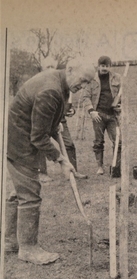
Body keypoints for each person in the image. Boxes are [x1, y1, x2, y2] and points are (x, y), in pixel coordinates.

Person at [5, 58, 96, 264]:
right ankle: (28, 248)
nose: (82, 87)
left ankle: (10, 241)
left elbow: (46, 119)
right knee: (30, 194)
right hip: (20, 142)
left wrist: (55, 125)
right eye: (82, 81)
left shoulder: (60, 83)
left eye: (87, 84)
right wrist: (62, 160)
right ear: (70, 69)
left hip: (20, 137)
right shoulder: (51, 90)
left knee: (17, 192)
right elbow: (38, 137)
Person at [37, 57, 88, 181]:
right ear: (42, 69)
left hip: (60, 120)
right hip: (44, 120)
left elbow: (66, 102)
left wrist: (70, 110)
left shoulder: (63, 81)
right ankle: (42, 173)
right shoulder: (39, 82)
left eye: (52, 67)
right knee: (41, 144)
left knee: (69, 144)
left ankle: (73, 171)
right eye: (47, 67)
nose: (50, 70)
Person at [82, 55, 122, 175]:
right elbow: (86, 97)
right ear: (98, 66)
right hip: (98, 115)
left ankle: (116, 166)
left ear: (110, 66)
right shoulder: (92, 79)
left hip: (113, 116)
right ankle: (100, 166)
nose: (104, 68)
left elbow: (122, 94)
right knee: (99, 141)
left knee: (118, 141)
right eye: (102, 66)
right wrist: (91, 111)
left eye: (107, 66)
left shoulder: (117, 78)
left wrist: (121, 105)